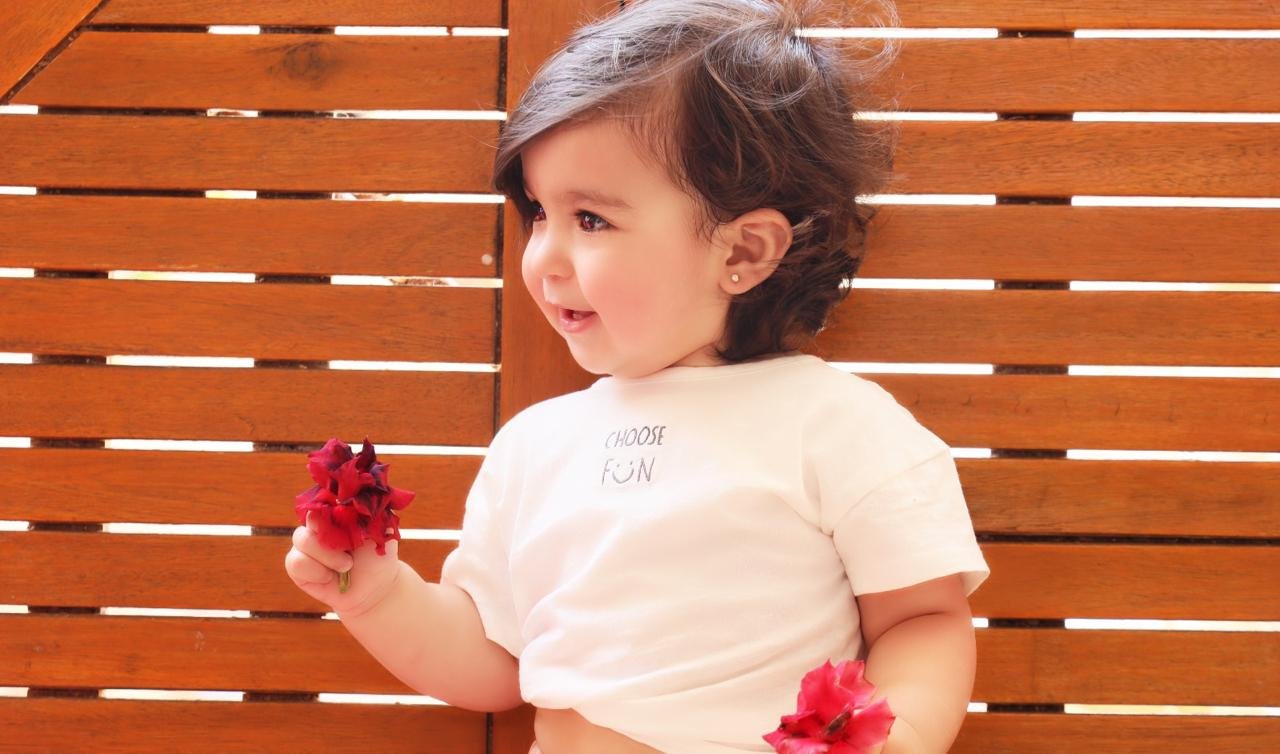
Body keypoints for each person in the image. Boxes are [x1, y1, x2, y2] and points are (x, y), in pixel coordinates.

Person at [285, 1, 990, 752]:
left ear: (744, 252)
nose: (544, 258)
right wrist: (381, 597)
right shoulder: (535, 446)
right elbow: (494, 662)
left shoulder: (838, 425)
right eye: (538, 213)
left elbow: (923, 619)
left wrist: (901, 736)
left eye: (590, 219)